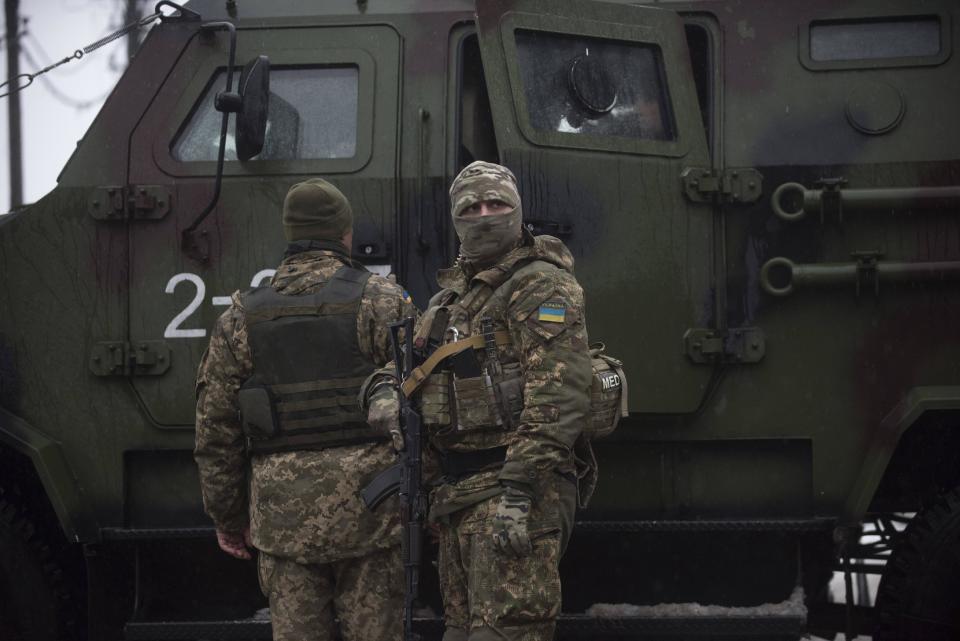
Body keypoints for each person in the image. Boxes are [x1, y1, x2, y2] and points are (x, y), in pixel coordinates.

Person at [364, 161, 594, 641]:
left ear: (517, 211)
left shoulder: (540, 284)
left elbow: (559, 395)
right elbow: (405, 368)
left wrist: (519, 492)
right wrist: (383, 393)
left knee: (506, 633)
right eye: (472, 207)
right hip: (459, 496)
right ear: (456, 220)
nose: (485, 215)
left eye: (497, 204)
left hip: (511, 492)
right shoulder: (451, 301)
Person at [194, 178, 415, 641]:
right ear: (345, 234)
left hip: (282, 522)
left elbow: (216, 431)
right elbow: (421, 407)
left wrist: (229, 518)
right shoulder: (381, 300)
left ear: (290, 233)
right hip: (372, 515)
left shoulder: (239, 317)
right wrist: (428, 504)